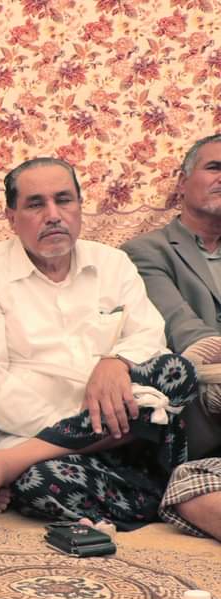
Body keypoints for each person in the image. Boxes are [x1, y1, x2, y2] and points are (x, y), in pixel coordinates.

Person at [0, 158, 197, 529]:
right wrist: (75, 432)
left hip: (126, 421)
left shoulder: (112, 263)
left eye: (63, 200)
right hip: (36, 438)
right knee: (37, 483)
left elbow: (150, 335)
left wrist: (115, 362)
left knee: (178, 371)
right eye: (36, 204)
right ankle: (163, 493)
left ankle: (24, 468)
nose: (53, 215)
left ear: (80, 207)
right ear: (11, 218)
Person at [123, 134, 221, 540]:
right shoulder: (146, 252)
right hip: (203, 410)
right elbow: (184, 329)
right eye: (214, 168)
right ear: (181, 183)